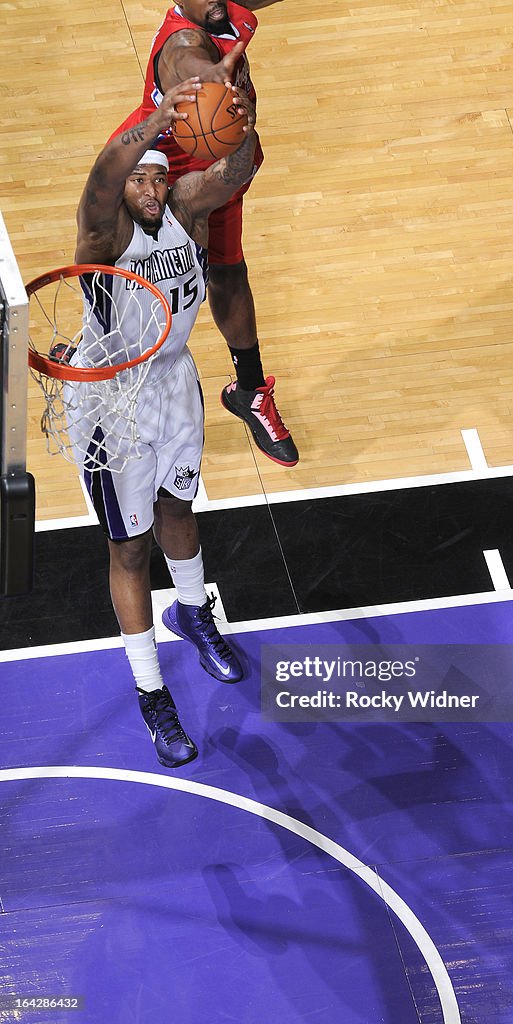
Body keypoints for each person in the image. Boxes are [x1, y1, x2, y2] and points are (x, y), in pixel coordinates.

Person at [75, 78, 259, 769]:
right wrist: (153, 122)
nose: (149, 189)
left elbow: (236, 167)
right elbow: (100, 182)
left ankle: (192, 612)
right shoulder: (103, 234)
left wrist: (243, 110)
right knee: (131, 546)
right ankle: (152, 693)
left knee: (180, 506)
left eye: (158, 178)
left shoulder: (185, 210)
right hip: (112, 397)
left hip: (174, 379)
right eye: (138, 181)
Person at [112, 0, 298, 468]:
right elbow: (185, 61)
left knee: (229, 273)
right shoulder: (182, 42)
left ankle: (250, 391)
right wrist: (212, 74)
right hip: (158, 178)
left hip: (218, 177)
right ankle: (100, 364)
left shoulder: (216, 11)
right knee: (131, 285)